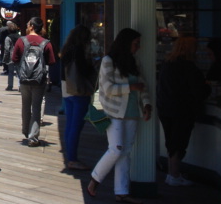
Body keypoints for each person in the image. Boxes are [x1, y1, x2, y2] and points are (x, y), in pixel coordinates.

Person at [88, 28, 151, 204]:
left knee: (125, 152)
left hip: (132, 112)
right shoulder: (108, 61)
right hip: (113, 112)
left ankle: (121, 191)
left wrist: (146, 104)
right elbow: (107, 88)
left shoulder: (134, 61)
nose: (138, 47)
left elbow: (143, 85)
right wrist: (130, 88)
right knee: (116, 149)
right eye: (135, 43)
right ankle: (95, 179)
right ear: (126, 43)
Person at [157, 36, 211, 186]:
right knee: (179, 142)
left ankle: (171, 173)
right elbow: (199, 91)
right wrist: (208, 86)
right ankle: (174, 174)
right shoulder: (189, 67)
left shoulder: (167, 64)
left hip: (165, 108)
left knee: (171, 142)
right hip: (182, 110)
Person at [13, 17, 56, 147]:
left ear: (31, 26)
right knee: (36, 107)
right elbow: (51, 61)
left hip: (24, 78)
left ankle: (26, 130)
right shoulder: (46, 43)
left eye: (27, 24)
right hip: (39, 79)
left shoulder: (21, 41)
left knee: (25, 105)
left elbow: (14, 58)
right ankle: (33, 137)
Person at [60, 25, 97, 170]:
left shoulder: (67, 50)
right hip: (78, 90)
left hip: (66, 89)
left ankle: (70, 155)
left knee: (70, 124)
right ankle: (72, 159)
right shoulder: (79, 51)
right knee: (77, 125)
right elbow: (84, 71)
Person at [3, 21, 20, 91]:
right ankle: (20, 86)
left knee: (11, 72)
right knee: (19, 72)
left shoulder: (8, 38)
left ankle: (10, 86)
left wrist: (5, 58)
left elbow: (7, 48)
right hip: (19, 56)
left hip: (11, 56)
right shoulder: (20, 37)